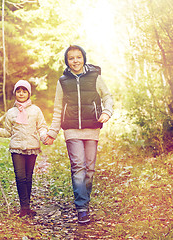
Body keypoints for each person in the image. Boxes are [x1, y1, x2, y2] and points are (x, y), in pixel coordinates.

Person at [44, 45, 114, 224]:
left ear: (84, 58)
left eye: (78, 57)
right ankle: (82, 208)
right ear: (67, 61)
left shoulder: (95, 77)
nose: (75, 61)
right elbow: (58, 108)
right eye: (71, 58)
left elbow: (107, 97)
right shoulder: (62, 81)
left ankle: (84, 200)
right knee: (78, 168)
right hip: (71, 130)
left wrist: (107, 112)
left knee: (89, 170)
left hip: (92, 128)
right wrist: (52, 132)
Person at [0, 80, 48, 217]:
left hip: (32, 147)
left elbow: (42, 126)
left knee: (28, 177)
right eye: (18, 91)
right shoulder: (11, 112)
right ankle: (24, 207)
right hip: (17, 149)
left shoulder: (36, 110)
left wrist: (44, 136)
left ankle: (28, 206)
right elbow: (8, 132)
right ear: (15, 93)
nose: (21, 94)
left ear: (28, 93)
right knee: (20, 177)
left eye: (24, 91)